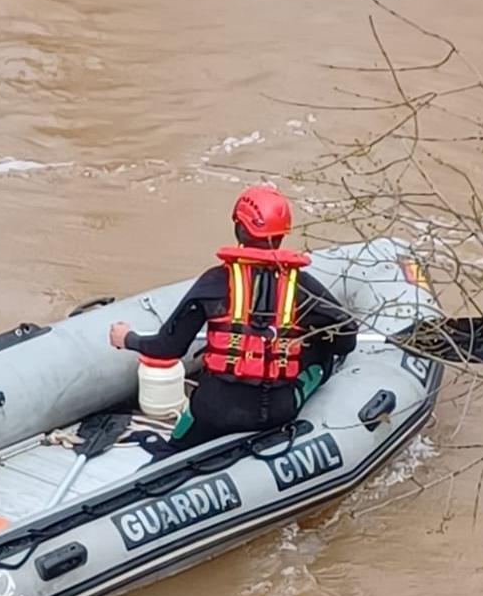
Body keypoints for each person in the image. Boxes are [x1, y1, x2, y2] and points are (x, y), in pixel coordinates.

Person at [109, 185, 357, 450]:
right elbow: (346, 339)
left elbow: (167, 349)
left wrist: (128, 338)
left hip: (214, 412)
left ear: (239, 228)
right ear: (283, 234)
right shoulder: (303, 287)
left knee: (173, 448)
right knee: (323, 359)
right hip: (275, 412)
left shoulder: (215, 282)